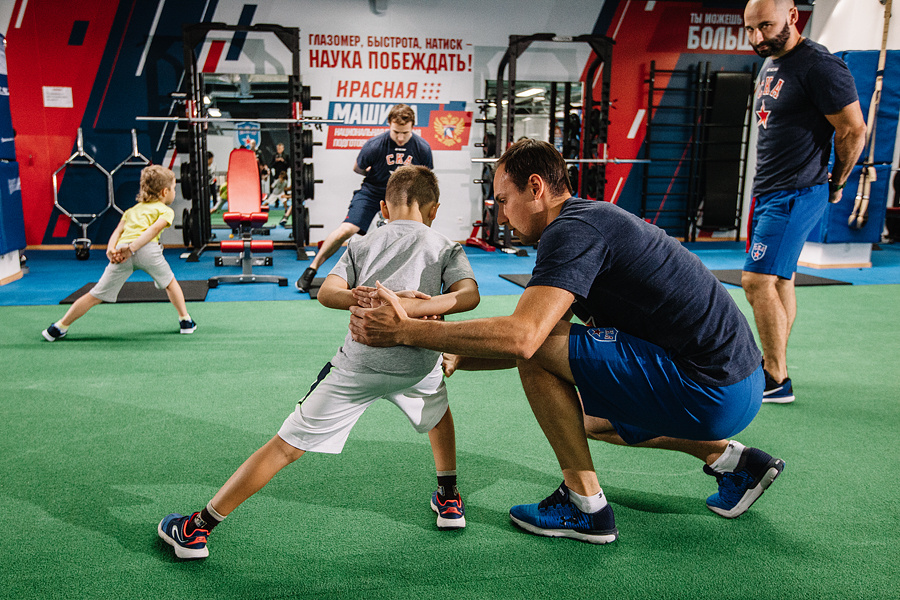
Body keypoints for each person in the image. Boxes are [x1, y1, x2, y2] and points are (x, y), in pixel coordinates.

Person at [349, 139, 784, 545]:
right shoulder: (586, 222)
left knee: (533, 344)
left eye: (503, 200)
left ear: (535, 188)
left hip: (711, 388)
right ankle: (735, 463)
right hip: (739, 385)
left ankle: (585, 505)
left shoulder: (571, 231)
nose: (501, 217)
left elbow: (527, 340)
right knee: (591, 421)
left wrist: (405, 330)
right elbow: (547, 337)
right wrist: (460, 353)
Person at [158, 165, 480, 559]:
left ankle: (196, 529)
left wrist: (363, 297)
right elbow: (469, 295)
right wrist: (424, 306)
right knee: (439, 414)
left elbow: (326, 292)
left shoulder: (362, 243)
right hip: (419, 365)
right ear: (434, 210)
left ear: (383, 208)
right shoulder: (446, 245)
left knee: (284, 447)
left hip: (359, 366)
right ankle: (449, 497)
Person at [741, 0, 867, 403]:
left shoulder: (820, 66)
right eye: (750, 29)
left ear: (793, 16)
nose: (757, 37)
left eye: (765, 26)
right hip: (769, 189)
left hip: (795, 192)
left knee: (756, 281)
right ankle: (775, 363)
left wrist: (837, 180)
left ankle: (776, 377)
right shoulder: (773, 60)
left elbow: (853, 129)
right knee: (780, 279)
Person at [42, 165, 196, 341]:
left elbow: (118, 231)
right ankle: (185, 321)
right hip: (145, 249)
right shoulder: (166, 211)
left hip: (121, 251)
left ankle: (58, 327)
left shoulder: (131, 211)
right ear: (164, 192)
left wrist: (110, 249)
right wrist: (132, 249)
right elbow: (153, 230)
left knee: (95, 294)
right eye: (173, 188)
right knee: (170, 283)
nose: (174, 192)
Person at [295, 103, 433, 292]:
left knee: (417, 233)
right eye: (396, 132)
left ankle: (417, 278)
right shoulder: (374, 145)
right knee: (346, 230)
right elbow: (358, 168)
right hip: (373, 191)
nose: (400, 138)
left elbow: (425, 178)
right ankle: (312, 268)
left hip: (403, 197)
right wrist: (378, 177)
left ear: (413, 127)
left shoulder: (422, 148)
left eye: (405, 133)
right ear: (389, 125)